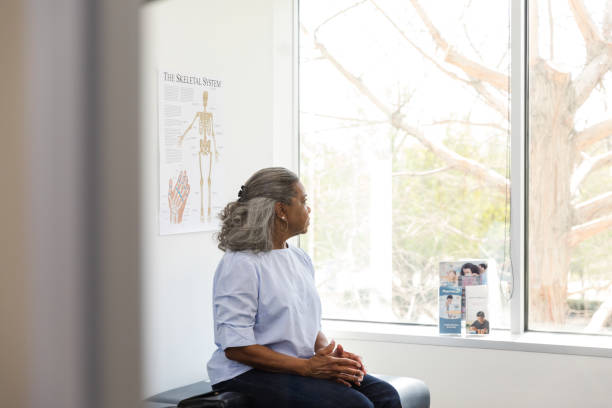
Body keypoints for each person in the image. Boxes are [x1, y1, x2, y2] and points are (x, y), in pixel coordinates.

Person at [206, 167, 401, 408]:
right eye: (303, 201)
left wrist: (331, 354)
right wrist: (307, 368)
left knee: (386, 396)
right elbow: (237, 348)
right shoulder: (241, 264)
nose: (309, 209)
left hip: (295, 365)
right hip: (245, 374)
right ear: (281, 210)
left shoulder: (299, 258)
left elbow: (305, 325)